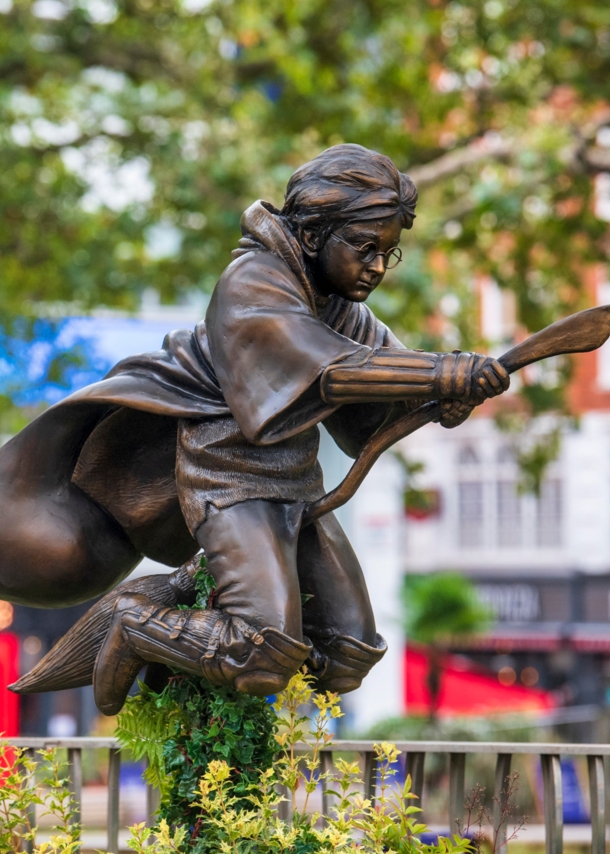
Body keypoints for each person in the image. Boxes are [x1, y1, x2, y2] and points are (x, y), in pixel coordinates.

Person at [8, 144, 509, 713]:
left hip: (295, 483)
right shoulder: (254, 280)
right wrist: (443, 371)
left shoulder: (343, 309)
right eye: (365, 248)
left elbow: (375, 399)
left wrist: (440, 395)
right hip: (228, 477)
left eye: (387, 255)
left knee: (348, 652)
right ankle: (136, 622)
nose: (375, 266)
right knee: (261, 652)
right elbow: (329, 369)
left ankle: (201, 643)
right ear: (316, 234)